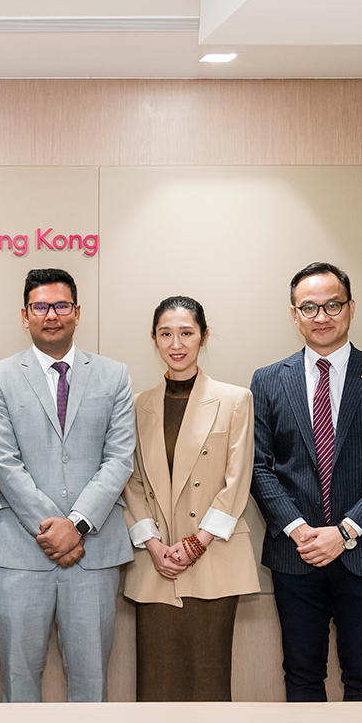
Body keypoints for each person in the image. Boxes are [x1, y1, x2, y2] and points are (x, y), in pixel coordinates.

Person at [250, 261, 362, 702]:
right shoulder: (267, 380)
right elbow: (259, 467)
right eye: (309, 308)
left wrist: (343, 533)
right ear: (293, 314)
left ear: (351, 308)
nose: (321, 317)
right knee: (301, 676)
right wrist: (300, 530)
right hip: (295, 553)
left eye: (332, 305)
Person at [0, 268, 135, 703]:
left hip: (94, 551)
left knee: (92, 681)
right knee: (18, 677)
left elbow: (119, 459)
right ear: (25, 315)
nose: (52, 315)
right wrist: (55, 529)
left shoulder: (113, 375)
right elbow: (4, 462)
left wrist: (78, 524)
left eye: (61, 305)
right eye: (41, 306)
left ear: (77, 312)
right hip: (20, 550)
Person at [121, 296, 258, 701]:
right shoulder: (138, 405)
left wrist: (197, 543)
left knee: (209, 681)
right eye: (166, 333)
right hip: (157, 562)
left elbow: (238, 480)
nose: (176, 343)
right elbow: (131, 483)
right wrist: (153, 544)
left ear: (204, 337)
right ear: (154, 339)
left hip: (213, 557)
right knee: (156, 684)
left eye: (186, 333)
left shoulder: (235, 399)